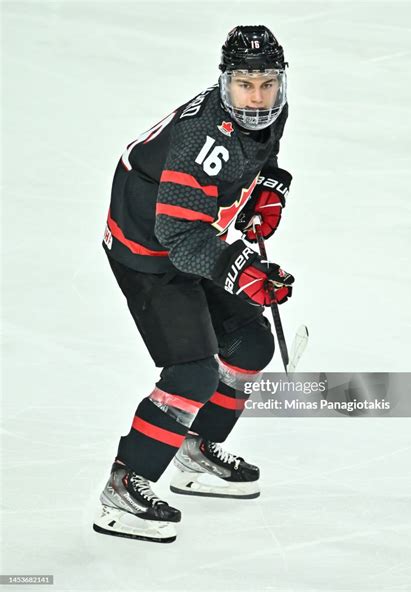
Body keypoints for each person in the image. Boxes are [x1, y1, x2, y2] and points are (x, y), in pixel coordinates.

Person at [93, 25, 294, 544]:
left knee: (249, 343)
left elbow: (257, 160)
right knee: (192, 374)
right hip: (147, 253)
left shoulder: (271, 113)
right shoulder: (199, 139)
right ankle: (123, 486)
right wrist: (244, 272)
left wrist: (266, 191)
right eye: (245, 84)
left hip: (190, 235)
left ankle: (195, 454)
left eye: (266, 84)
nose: (257, 97)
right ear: (225, 83)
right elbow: (178, 237)